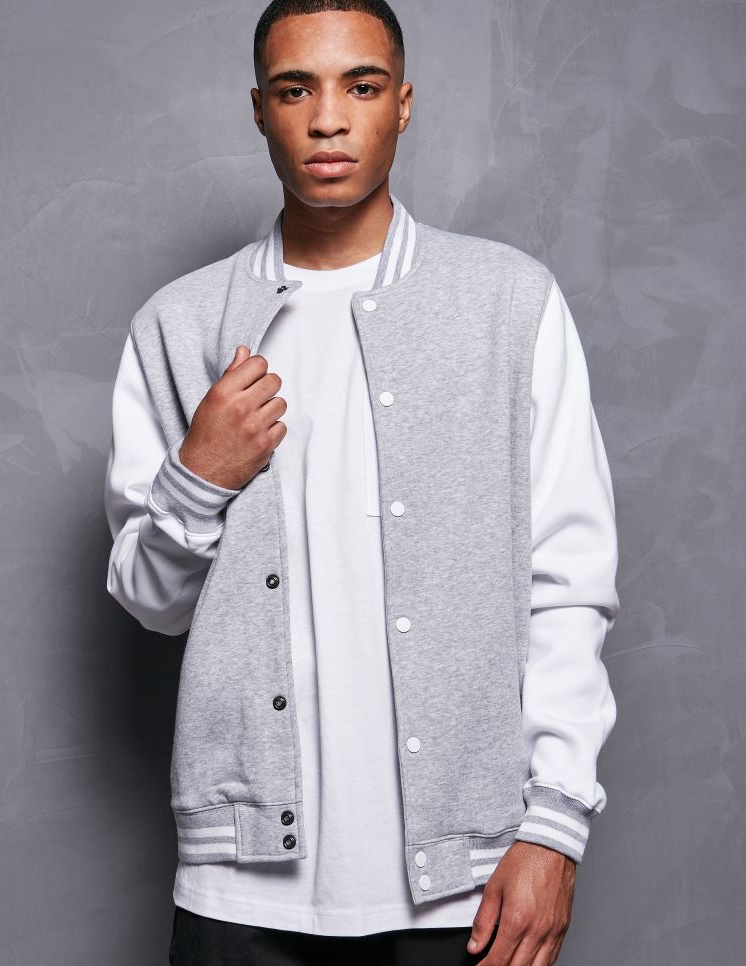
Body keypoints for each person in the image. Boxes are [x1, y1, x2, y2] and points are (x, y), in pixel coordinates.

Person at [103, 1, 621, 963]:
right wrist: (198, 476)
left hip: (464, 885)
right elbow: (150, 600)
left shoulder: (509, 305)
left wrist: (555, 824)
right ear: (259, 109)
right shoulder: (180, 325)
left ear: (404, 104)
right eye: (296, 89)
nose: (329, 119)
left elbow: (569, 581)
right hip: (239, 884)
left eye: (363, 86)